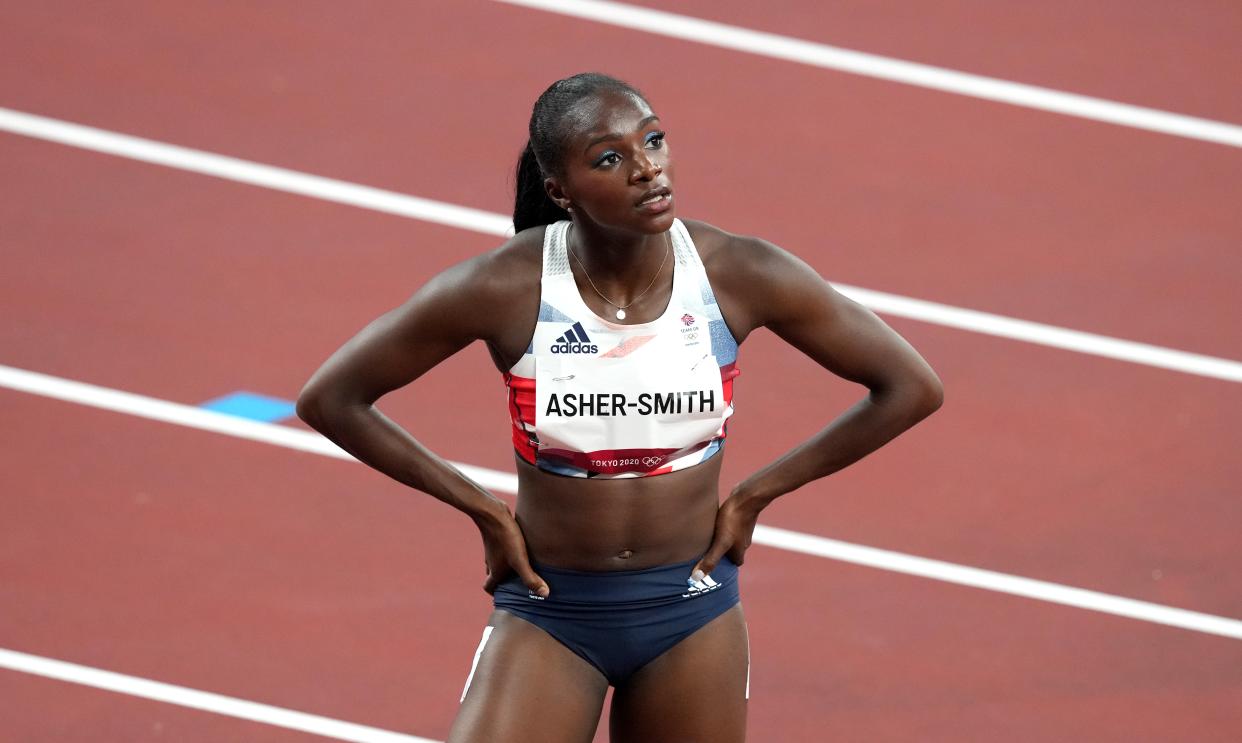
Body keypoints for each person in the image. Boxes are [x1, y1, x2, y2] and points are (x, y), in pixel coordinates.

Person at [296, 72, 943, 743]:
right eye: (610, 158)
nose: (646, 169)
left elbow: (910, 385)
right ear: (560, 191)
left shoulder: (735, 273)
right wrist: (482, 507)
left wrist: (756, 494)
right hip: (552, 609)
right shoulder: (504, 286)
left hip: (691, 610)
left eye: (654, 141)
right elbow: (333, 398)